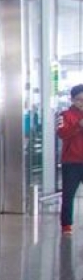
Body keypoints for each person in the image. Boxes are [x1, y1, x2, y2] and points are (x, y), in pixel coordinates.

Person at [57, 83, 83, 235]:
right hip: (71, 162)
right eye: (79, 100)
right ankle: (66, 225)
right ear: (72, 100)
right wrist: (78, 126)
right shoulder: (65, 115)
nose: (82, 103)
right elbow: (62, 134)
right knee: (68, 194)